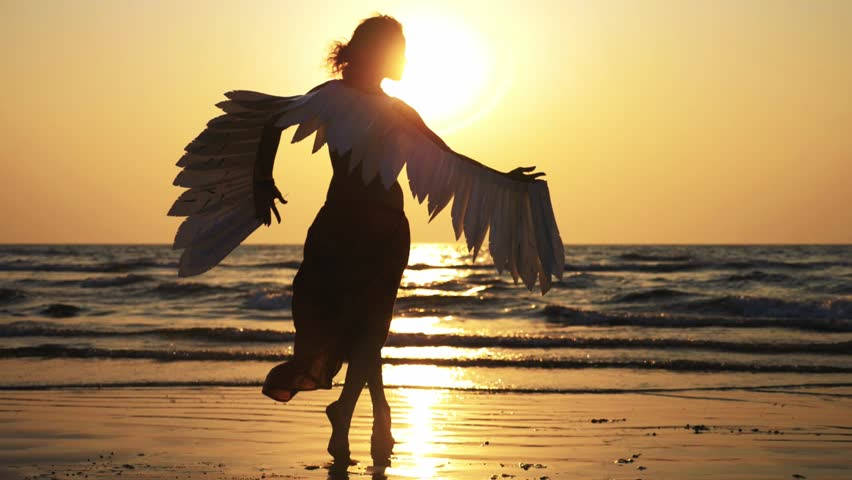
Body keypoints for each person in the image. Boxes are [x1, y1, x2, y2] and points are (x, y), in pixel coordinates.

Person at [231, 14, 546, 469]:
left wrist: (505, 181)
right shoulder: (334, 98)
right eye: (399, 47)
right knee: (357, 326)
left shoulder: (399, 110)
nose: (405, 57)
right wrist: (261, 180)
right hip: (350, 228)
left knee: (368, 328)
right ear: (378, 51)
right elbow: (275, 120)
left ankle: (357, 414)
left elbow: (448, 158)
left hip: (375, 230)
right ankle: (366, 413)